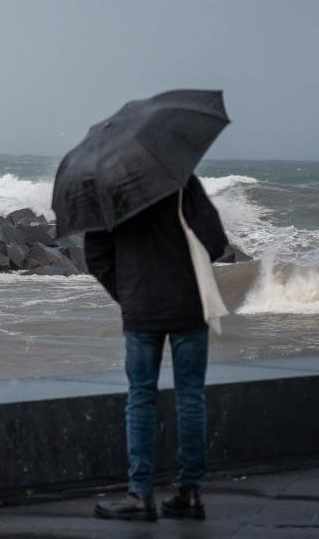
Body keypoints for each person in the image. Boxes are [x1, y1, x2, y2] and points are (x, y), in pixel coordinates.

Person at [84, 174, 229, 522]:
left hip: (141, 307)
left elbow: (96, 255)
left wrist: (127, 293)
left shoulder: (110, 190)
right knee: (191, 396)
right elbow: (216, 242)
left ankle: (140, 495)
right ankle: (190, 493)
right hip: (188, 303)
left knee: (141, 398)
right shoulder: (181, 180)